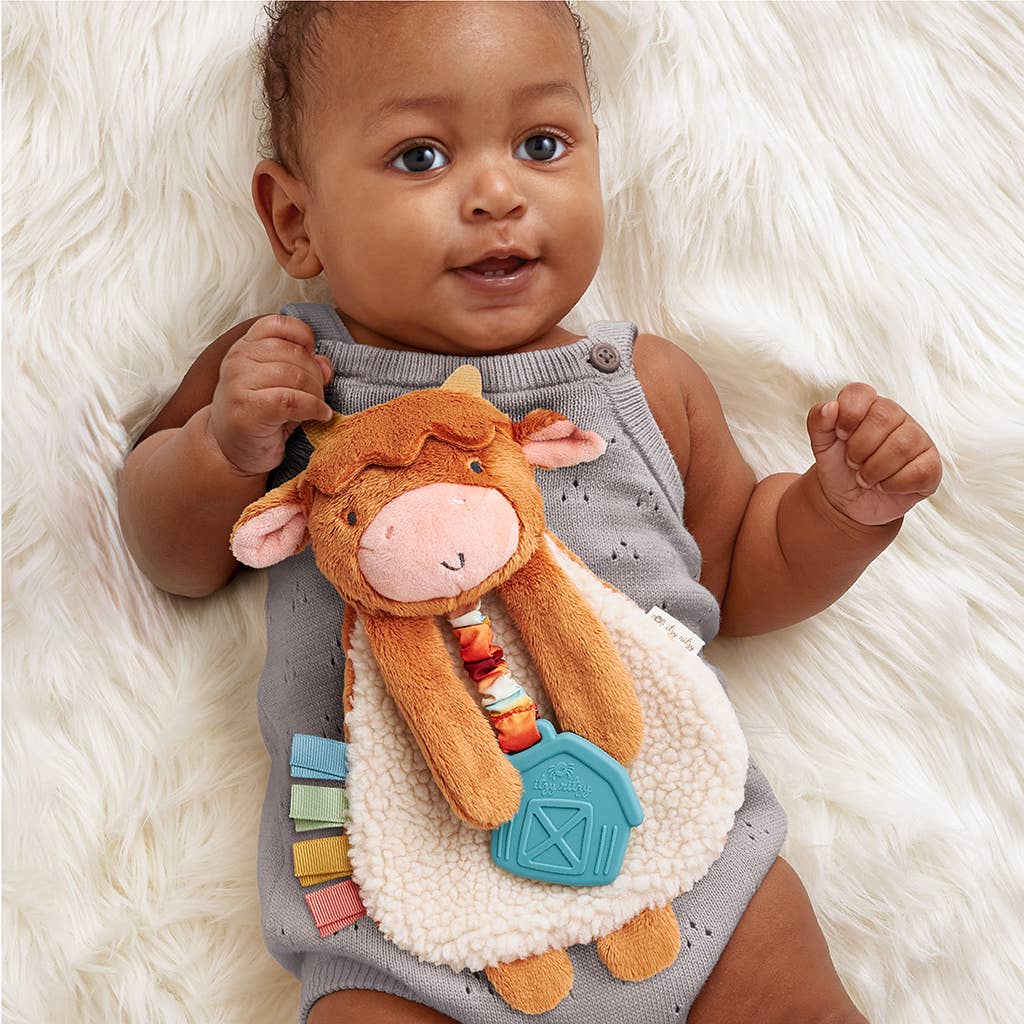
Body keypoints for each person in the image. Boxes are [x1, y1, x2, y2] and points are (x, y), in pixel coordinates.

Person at [117, 3, 942, 1022]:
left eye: (542, 145)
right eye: (420, 157)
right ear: (296, 220)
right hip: (396, 923)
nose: (498, 194)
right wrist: (220, 449)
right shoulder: (289, 377)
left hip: (680, 859)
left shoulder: (641, 383)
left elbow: (739, 564)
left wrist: (841, 511)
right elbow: (170, 555)